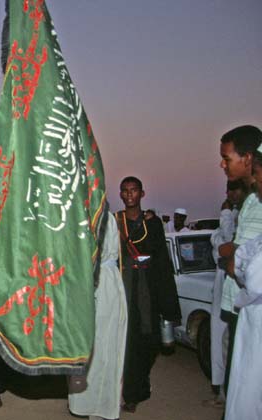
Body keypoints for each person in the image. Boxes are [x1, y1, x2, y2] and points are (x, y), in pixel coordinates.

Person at [114, 176, 181, 413]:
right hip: (124, 289)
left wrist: (167, 300)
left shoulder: (152, 223)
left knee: (148, 341)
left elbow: (161, 259)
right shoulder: (116, 221)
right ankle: (131, 393)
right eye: (125, 191)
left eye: (134, 190)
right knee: (127, 342)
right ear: (121, 194)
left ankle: (141, 383)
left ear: (142, 193)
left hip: (148, 290)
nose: (130, 194)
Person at [68, 211, 128, 420]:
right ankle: (84, 402)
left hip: (104, 284)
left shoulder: (105, 216)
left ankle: (102, 406)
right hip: (82, 282)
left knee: (106, 346)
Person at [217, 125, 262, 398]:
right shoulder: (251, 199)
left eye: (227, 158)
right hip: (243, 305)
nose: (222, 164)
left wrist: (233, 254)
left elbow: (245, 256)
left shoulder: (257, 201)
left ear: (247, 158)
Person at [204, 180, 247, 409]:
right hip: (223, 279)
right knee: (219, 337)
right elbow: (219, 247)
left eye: (235, 189)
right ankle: (221, 390)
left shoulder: (245, 213)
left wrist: (226, 214)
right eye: (228, 189)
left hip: (240, 283)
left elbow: (229, 243)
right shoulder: (234, 213)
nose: (230, 193)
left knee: (236, 341)